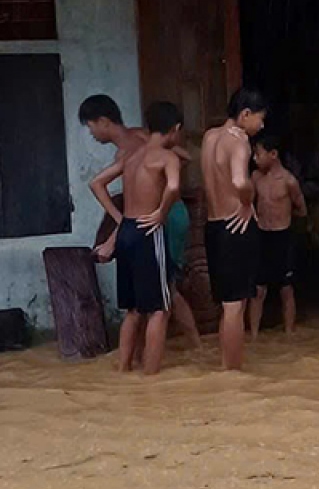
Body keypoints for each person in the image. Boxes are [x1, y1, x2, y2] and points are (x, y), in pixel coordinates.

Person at [79, 93, 201, 351]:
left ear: (103, 122)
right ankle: (191, 349)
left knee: (163, 291)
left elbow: (133, 206)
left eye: (90, 127)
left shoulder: (130, 151)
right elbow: (184, 157)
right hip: (149, 219)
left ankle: (176, 351)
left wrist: (115, 235)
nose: (92, 134)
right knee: (162, 290)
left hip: (161, 217)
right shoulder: (142, 137)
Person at [201, 88, 268, 371]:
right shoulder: (239, 141)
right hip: (235, 227)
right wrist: (247, 202)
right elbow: (240, 181)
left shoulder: (208, 136)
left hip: (214, 226)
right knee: (235, 306)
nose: (262, 126)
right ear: (245, 115)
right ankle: (233, 372)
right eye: (260, 119)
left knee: (226, 304)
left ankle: (225, 366)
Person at [249, 135, 307, 338]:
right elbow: (248, 204)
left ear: (273, 154)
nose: (255, 158)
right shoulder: (256, 177)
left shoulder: (289, 181)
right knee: (258, 289)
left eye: (258, 153)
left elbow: (301, 208)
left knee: (286, 288)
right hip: (262, 235)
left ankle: (289, 333)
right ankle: (254, 336)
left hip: (283, 236)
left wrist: (287, 220)